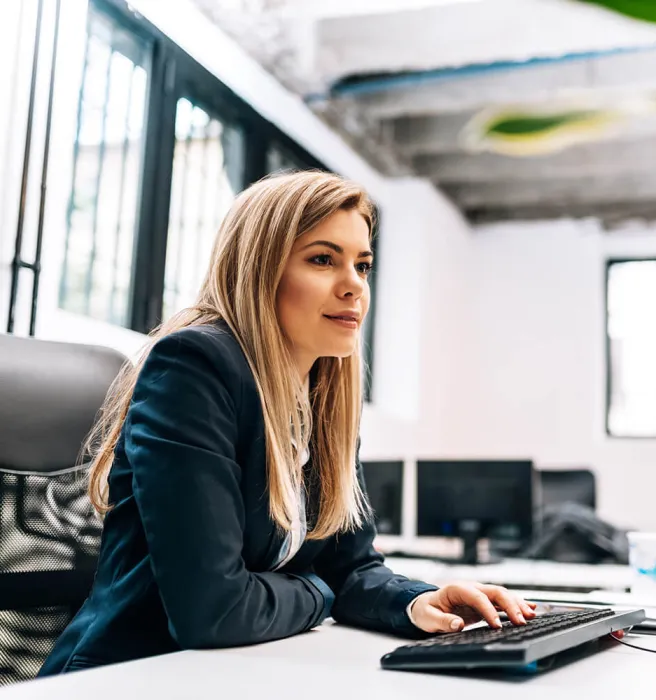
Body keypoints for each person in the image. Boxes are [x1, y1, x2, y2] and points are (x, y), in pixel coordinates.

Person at [40, 171, 535, 676]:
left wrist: (418, 601)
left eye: (362, 265)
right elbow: (215, 610)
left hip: (240, 671)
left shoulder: (318, 401)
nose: (354, 287)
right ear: (260, 269)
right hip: (129, 675)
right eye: (323, 260)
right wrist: (319, 589)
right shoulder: (194, 366)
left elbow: (351, 566)